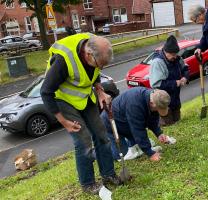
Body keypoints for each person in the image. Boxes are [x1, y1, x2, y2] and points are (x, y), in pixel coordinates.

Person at [40, 33, 122, 195]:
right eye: (100, 64)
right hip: (63, 100)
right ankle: (88, 183)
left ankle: (108, 174)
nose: (101, 69)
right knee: (83, 141)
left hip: (84, 96)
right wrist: (63, 121)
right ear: (88, 54)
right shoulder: (63, 61)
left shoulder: (93, 43)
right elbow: (45, 92)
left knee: (102, 135)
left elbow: (93, 72)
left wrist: (100, 91)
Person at [100, 87, 173, 162]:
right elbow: (138, 130)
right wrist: (150, 153)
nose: (158, 111)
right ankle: (96, 153)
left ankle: (129, 143)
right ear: (151, 103)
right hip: (111, 124)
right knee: (120, 155)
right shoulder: (135, 105)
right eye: (157, 109)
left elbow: (152, 119)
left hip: (127, 123)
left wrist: (159, 133)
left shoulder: (154, 97)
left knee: (137, 145)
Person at [149, 35, 189, 126]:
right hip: (163, 101)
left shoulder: (177, 58)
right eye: (172, 55)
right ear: (166, 52)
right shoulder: (158, 62)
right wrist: (176, 83)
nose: (175, 57)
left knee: (178, 122)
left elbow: (186, 68)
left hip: (175, 99)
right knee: (167, 125)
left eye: (176, 54)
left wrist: (185, 78)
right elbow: (157, 84)